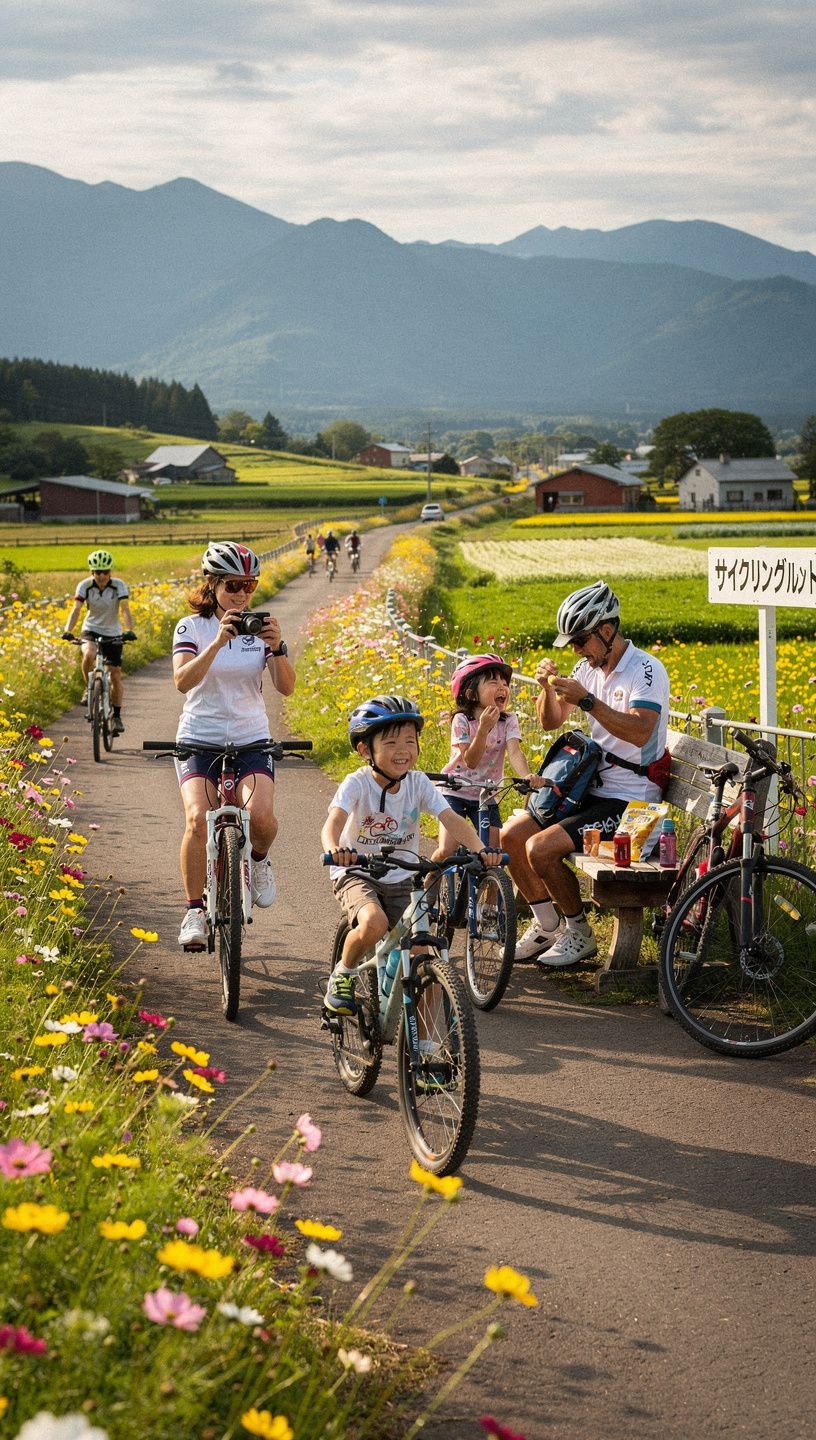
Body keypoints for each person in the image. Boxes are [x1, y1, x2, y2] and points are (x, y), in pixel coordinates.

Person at [501, 580, 670, 967]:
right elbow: (551, 721)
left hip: (632, 801)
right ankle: (548, 925)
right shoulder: (586, 667)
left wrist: (588, 701)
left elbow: (641, 729)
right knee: (511, 838)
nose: (577, 650)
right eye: (572, 644)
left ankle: (579, 933)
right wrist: (547, 689)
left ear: (606, 631)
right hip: (589, 790)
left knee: (540, 849)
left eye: (580, 640)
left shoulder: (645, 670)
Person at [321, 695, 501, 1016]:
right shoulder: (357, 783)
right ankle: (343, 974)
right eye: (390, 743)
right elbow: (333, 822)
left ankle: (430, 1048)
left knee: (425, 953)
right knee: (373, 924)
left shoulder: (418, 783)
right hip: (358, 873)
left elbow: (451, 819)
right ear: (366, 750)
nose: (403, 749)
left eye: (409, 740)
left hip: (402, 875)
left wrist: (481, 850)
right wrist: (336, 849)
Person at [171, 541, 295, 951]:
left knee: (260, 817)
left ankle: (258, 861)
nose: (242, 594)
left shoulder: (262, 630)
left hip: (251, 738)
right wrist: (217, 643)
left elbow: (286, 688)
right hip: (198, 738)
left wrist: (276, 648)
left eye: (249, 584)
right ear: (212, 584)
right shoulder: (191, 627)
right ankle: (193, 910)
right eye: (232, 586)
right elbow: (182, 681)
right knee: (196, 818)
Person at [432, 653, 544, 866]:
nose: (502, 687)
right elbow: (470, 761)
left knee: (494, 855)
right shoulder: (462, 720)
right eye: (493, 682)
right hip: (455, 790)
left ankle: (491, 898)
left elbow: (514, 752)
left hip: (486, 792)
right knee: (448, 849)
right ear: (471, 693)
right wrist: (482, 730)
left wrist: (526, 776)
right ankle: (428, 880)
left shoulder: (508, 720)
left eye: (505, 682)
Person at [62, 549, 136, 735]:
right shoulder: (84, 586)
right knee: (88, 653)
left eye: (105, 572)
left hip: (113, 632)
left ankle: (117, 715)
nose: (102, 576)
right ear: (92, 572)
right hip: (91, 628)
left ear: (110, 572)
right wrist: (67, 631)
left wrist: (129, 630)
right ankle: (89, 689)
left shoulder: (119, 586)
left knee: (115, 674)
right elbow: (76, 609)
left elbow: (125, 609)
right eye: (97, 572)